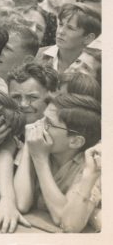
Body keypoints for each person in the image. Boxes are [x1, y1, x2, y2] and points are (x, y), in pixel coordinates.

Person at [13, 93, 101, 232]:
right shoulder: (39, 145)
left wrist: (40, 160)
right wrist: (27, 147)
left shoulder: (90, 166)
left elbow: (64, 219)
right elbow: (21, 203)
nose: (37, 125)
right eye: (43, 118)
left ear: (75, 141)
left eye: (48, 123)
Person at [37, 3, 101, 74]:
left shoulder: (95, 66)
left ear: (88, 38)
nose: (61, 32)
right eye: (60, 24)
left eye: (70, 28)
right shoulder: (37, 54)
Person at [7, 60, 58, 125]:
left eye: (32, 97)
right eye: (16, 97)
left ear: (51, 98)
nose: (23, 104)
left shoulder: (63, 133)